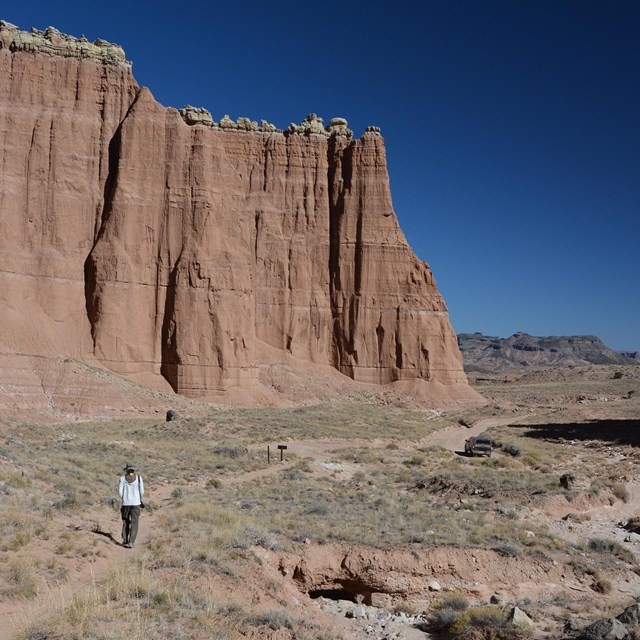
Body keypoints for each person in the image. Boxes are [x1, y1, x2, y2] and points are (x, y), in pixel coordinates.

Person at [118, 461, 144, 548]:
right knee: (134, 522)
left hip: (126, 503)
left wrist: (124, 498)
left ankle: (125, 539)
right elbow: (142, 492)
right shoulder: (139, 478)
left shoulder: (122, 479)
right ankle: (131, 542)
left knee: (126, 521)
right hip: (136, 503)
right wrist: (139, 498)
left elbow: (120, 492)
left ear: (127, 470)